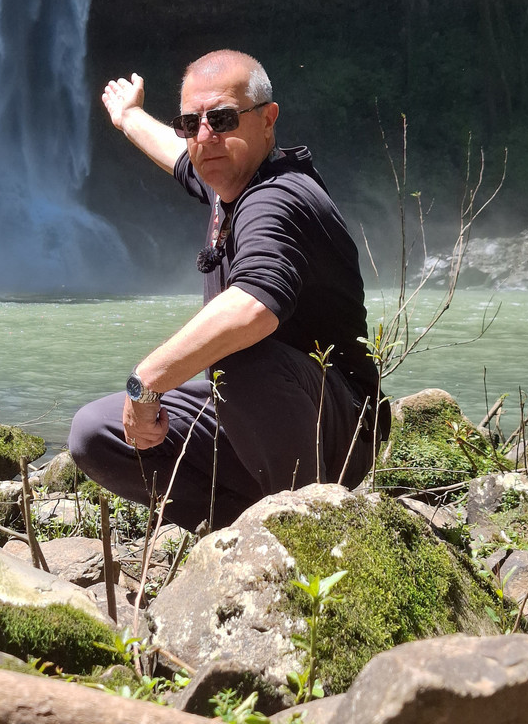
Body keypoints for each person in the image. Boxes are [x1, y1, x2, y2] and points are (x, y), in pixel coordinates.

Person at [68, 49, 386, 532]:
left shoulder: (276, 199)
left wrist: (146, 378)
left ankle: (309, 527)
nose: (204, 136)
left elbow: (255, 305)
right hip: (257, 417)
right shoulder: (228, 179)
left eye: (221, 119)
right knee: (96, 432)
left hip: (339, 431)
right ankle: (237, 530)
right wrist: (128, 116)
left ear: (268, 120)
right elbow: (177, 155)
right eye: (190, 123)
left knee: (237, 355)